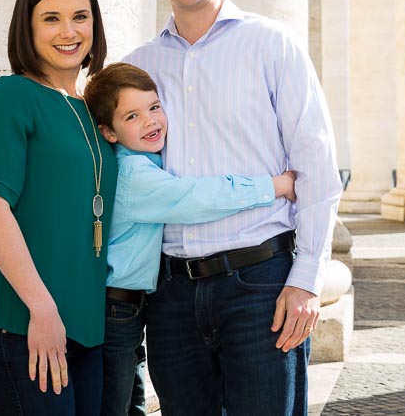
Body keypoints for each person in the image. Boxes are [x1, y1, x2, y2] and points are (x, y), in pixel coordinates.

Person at [124, 0, 343, 415]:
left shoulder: (273, 45)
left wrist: (306, 280)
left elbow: (316, 167)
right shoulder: (138, 68)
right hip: (171, 294)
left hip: (260, 284)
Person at [82, 62, 298, 415]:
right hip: (117, 310)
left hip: (131, 308)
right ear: (108, 131)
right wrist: (274, 186)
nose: (151, 121)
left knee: (130, 402)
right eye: (132, 117)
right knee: (119, 406)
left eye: (154, 107)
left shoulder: (145, 161)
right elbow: (200, 198)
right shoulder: (135, 174)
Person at [0, 0, 116, 415]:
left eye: (80, 17)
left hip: (88, 329)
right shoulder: (10, 96)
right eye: (51, 18)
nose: (68, 31)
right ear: (26, 29)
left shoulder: (93, 111)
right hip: (25, 323)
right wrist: (42, 309)